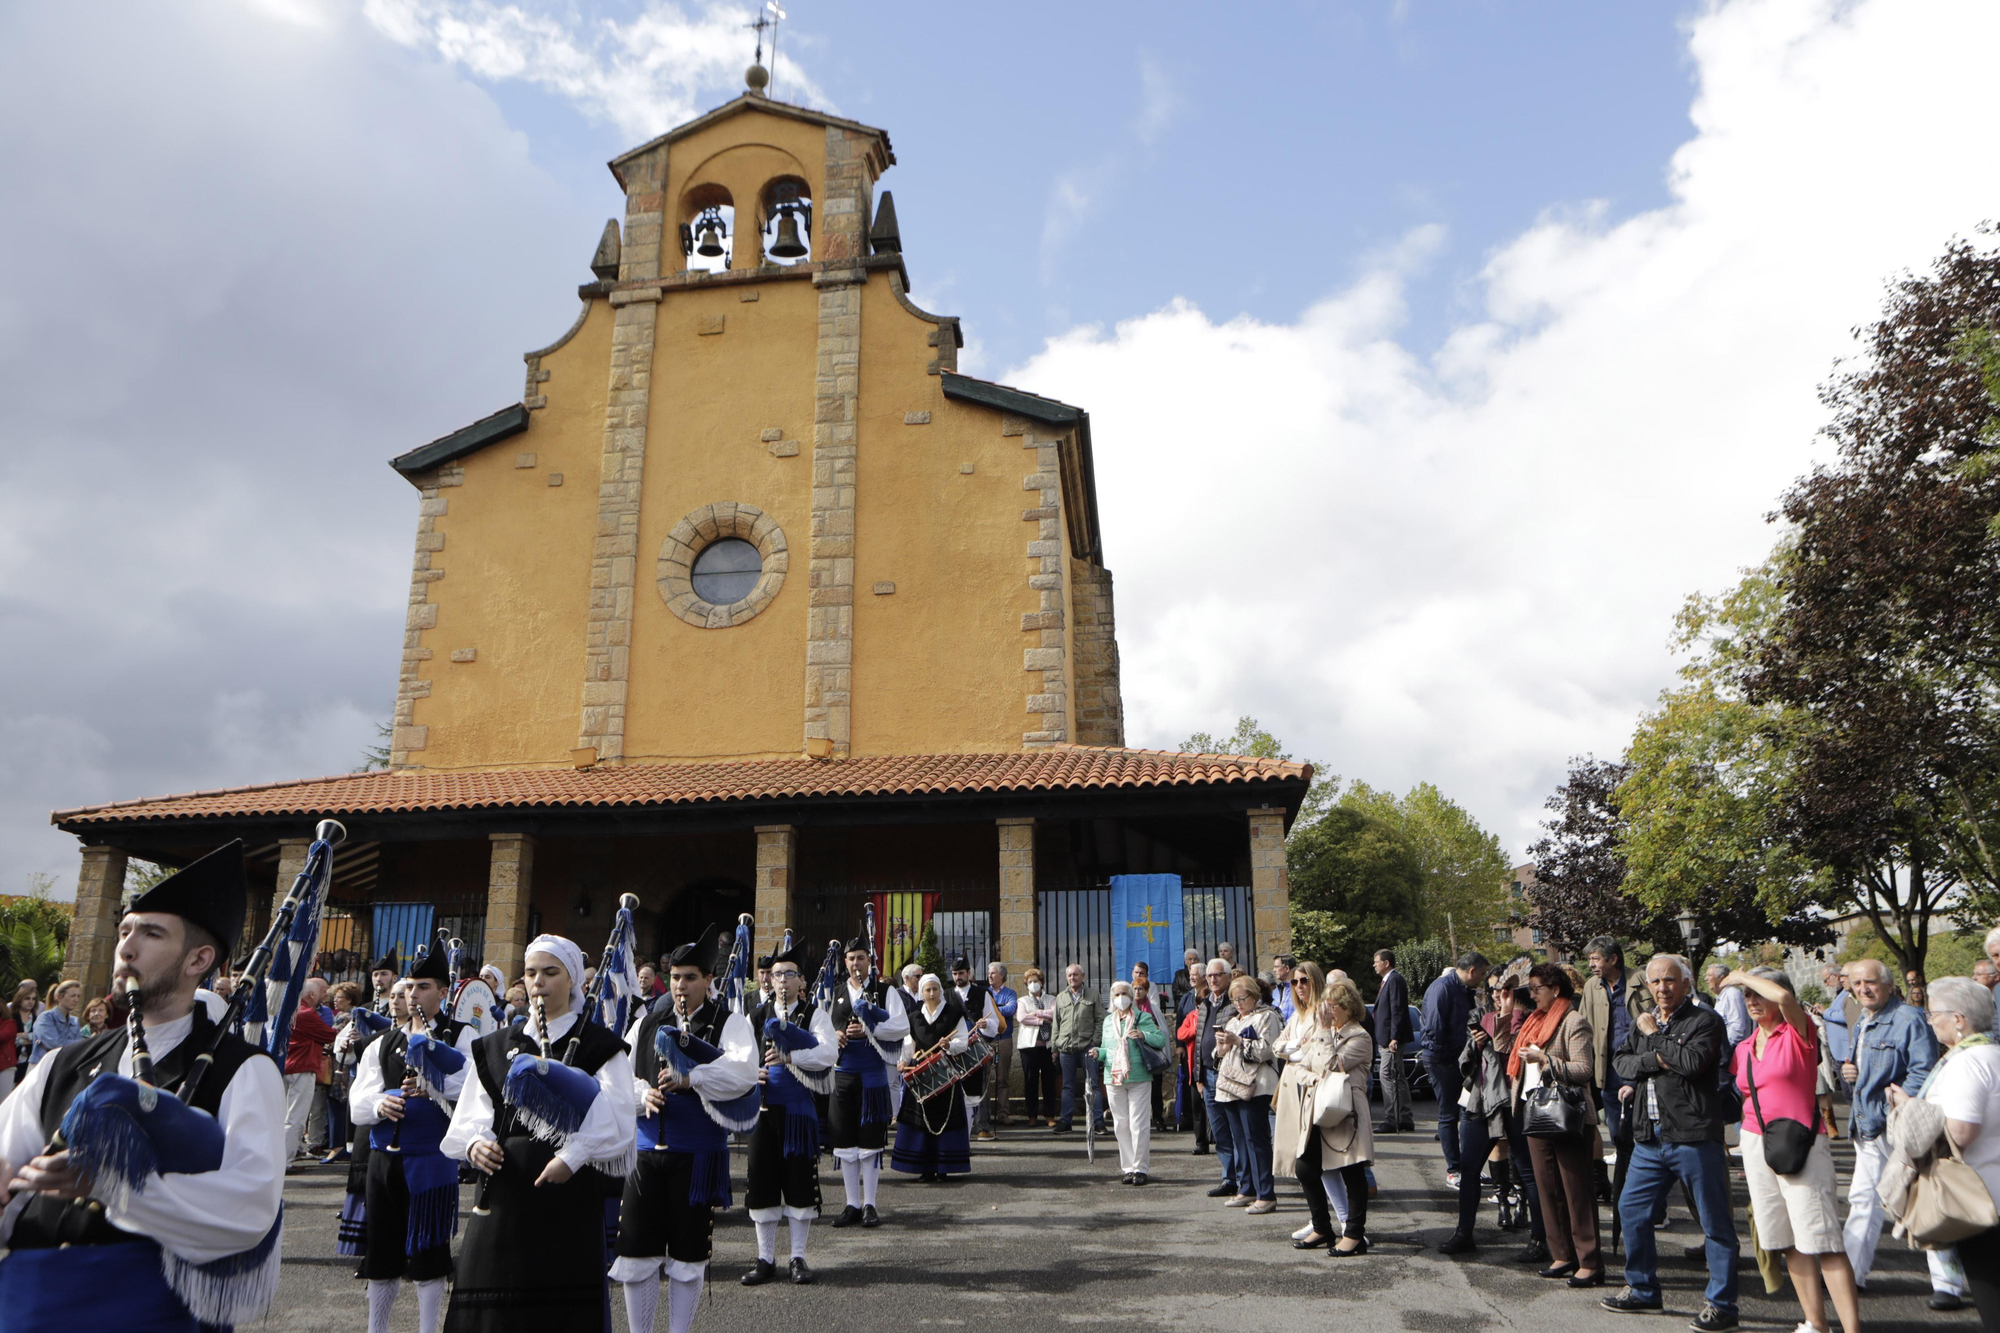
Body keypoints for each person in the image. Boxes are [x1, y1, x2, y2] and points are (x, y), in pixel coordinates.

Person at [0, 840, 287, 1333]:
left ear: (198, 959)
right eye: (125, 930)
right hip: (27, 1300)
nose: (126, 947)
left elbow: (250, 1205)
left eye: (151, 934)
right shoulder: (63, 1062)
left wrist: (118, 1188)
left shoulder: (242, 1068)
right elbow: (9, 1159)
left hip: (147, 1308)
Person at [442, 934, 636, 1333]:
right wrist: (476, 1143)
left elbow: (618, 1122)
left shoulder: (601, 1046)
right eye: (531, 973)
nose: (538, 982)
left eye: (551, 973)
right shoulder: (495, 1045)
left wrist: (572, 1157)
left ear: (574, 981)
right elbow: (471, 1113)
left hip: (567, 1196)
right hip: (502, 1195)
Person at [613, 925, 757, 1333]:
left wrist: (693, 1079)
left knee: (688, 1259)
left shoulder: (728, 1022)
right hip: (646, 1153)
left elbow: (744, 1073)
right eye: (675, 977)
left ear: (708, 981)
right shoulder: (647, 1022)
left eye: (690, 977)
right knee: (637, 1255)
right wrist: (643, 1096)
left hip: (696, 1157)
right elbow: (618, 1078)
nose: (681, 985)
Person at [1601, 954, 1738, 1331]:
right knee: (1631, 1210)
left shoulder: (1705, 1021)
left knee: (1715, 1222)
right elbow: (1622, 1063)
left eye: (1670, 980)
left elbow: (1693, 1063)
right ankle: (1643, 1290)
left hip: (1693, 1136)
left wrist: (1654, 1040)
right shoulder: (1645, 1022)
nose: (1662, 988)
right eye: (1655, 981)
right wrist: (1657, 1057)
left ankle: (1722, 1304)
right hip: (1649, 1138)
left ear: (1686, 983)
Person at [1724, 966, 1862, 1333]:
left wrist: (1739, 976)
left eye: (1759, 993)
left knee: (1824, 1238)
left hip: (1800, 1140)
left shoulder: (1799, 1033)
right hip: (1756, 1142)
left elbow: (1785, 998)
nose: (1752, 1000)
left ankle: (1852, 1329)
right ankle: (1815, 1322)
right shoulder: (1744, 1046)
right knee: (1787, 1240)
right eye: (1747, 996)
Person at [350, 947, 480, 1333]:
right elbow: (357, 1103)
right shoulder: (382, 1043)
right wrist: (381, 1103)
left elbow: (473, 1086)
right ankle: (378, 1327)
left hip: (431, 1158)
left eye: (423, 987)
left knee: (428, 1250)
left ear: (443, 992)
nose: (413, 995)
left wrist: (433, 1081)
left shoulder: (461, 1034)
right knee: (382, 1252)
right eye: (409, 987)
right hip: (384, 1158)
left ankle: (427, 1328)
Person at [1835, 957, 1959, 1308]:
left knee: (1925, 1198)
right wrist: (1851, 1075)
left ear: (1889, 985)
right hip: (1868, 1126)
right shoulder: (1863, 1020)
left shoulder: (1909, 1018)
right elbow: (1867, 1070)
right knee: (1863, 1200)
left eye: (1870, 982)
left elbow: (1923, 1071)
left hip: (1900, 1125)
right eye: (1857, 984)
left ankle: (1947, 1284)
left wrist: (1896, 1102)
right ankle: (1850, 1276)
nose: (1863, 989)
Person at [1889, 976, 2000, 1329]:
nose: (1929, 1019)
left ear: (1959, 1019)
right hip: (1989, 1186)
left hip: (1978, 1195)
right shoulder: (1993, 1052)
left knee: (1991, 1294)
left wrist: (1910, 1108)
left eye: (1934, 1013)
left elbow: (1962, 1132)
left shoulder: (1967, 1062)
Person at [743, 939, 836, 1286]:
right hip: (762, 1113)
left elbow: (828, 1055)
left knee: (799, 1184)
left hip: (798, 1113)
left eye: (789, 975)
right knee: (762, 1184)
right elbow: (737, 1057)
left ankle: (798, 1257)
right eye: (776, 974)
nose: (781, 980)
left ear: (802, 981)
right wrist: (752, 1071)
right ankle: (765, 1258)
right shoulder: (756, 1015)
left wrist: (790, 1058)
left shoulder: (815, 1015)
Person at [1440, 964, 1547, 1264]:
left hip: (1517, 1103)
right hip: (1483, 1100)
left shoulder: (1529, 1021)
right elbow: (1468, 1059)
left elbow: (1507, 1048)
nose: (1501, 996)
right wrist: (1475, 1047)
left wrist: (1505, 1019)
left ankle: (1539, 1238)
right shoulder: (1481, 1017)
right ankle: (1464, 1233)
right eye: (1496, 991)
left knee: (1528, 1172)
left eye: (1508, 990)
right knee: (1470, 1168)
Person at [1513, 962, 1604, 1287]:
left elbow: (1583, 1070)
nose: (1532, 993)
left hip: (1568, 1116)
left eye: (1537, 988)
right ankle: (1562, 1255)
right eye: (1531, 988)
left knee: (1576, 1192)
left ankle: (1590, 1262)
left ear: (1556, 989)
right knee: (1549, 1190)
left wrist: (1545, 1061)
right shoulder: (1532, 1021)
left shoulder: (1574, 1021)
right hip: (1536, 1113)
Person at [826, 935, 909, 1228]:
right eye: (851, 958)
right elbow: (819, 1030)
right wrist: (833, 1035)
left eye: (861, 957)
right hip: (843, 1075)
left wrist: (871, 1030)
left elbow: (901, 1025)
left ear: (869, 961)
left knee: (870, 1143)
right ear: (844, 962)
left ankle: (870, 1204)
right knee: (846, 1144)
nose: (856, 963)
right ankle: (851, 1204)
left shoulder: (885, 991)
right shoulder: (834, 992)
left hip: (873, 1076)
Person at [1295, 975, 1375, 1255]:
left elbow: (1332, 1064)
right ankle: (1322, 1228)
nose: (1325, 1012)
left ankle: (1353, 1234)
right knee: (1304, 1167)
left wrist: (1325, 1033)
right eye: (1324, 1006)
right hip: (1319, 1108)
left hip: (1346, 1112)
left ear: (1348, 1007)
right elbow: (1302, 1066)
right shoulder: (1325, 1031)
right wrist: (1315, 1079)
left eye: (1332, 1006)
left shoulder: (1360, 1037)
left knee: (1351, 1171)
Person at [1275, 962, 1335, 1246]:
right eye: (1296, 982)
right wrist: (1295, 1050)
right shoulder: (1297, 1016)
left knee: (1319, 1164)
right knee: (1307, 1164)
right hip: (1295, 1089)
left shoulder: (1323, 1011)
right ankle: (1319, 1221)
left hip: (1315, 1091)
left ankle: (1343, 1224)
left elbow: (1316, 1054)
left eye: (1305, 981)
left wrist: (1295, 1051)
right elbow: (1279, 1045)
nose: (1300, 987)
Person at [1212, 974, 1282, 1213]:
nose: (1239, 1003)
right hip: (1231, 1087)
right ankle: (1247, 1188)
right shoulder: (1233, 1021)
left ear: (1254, 996)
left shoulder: (1267, 1017)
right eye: (1235, 999)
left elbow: (1266, 1051)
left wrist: (1239, 1042)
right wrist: (1221, 1047)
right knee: (1239, 1140)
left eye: (1243, 998)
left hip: (1257, 1086)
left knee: (1257, 1140)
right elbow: (1219, 1055)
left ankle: (1266, 1194)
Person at [893, 974, 973, 1181]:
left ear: (940, 991)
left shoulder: (954, 1014)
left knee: (944, 1120)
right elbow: (908, 1045)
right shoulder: (913, 1017)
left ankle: (944, 1167)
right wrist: (903, 1061)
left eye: (935, 989)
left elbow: (963, 1041)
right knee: (921, 1121)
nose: (931, 994)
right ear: (921, 991)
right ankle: (925, 1168)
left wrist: (950, 1045)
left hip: (945, 1074)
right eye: (927, 990)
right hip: (920, 1076)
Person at [1420, 951, 1489, 1189]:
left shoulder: (1462, 989)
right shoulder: (1444, 988)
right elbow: (1435, 1027)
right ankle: (1455, 1170)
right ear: (1471, 971)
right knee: (1448, 1114)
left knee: (1467, 1114)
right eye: (1481, 973)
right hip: (1443, 1060)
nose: (1482, 978)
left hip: (1456, 1059)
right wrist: (1450, 1059)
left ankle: (1467, 1168)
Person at [1096, 980, 1166, 1184]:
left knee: (1139, 1124)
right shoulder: (1108, 1021)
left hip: (1139, 1076)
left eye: (1124, 993)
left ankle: (1140, 1169)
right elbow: (1106, 1048)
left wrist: (1144, 1035)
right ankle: (1128, 1168)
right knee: (1121, 1125)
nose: (1121, 998)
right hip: (1114, 1077)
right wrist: (1097, 1053)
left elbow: (1160, 1039)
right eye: (1116, 994)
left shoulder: (1142, 1017)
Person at [284, 976, 338, 1168]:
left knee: (285, 1116)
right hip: (302, 1067)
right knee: (295, 1118)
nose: (326, 996)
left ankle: (283, 1156)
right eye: (324, 992)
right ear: (312, 994)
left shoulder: (291, 1008)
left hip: (288, 1066)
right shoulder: (305, 1013)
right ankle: (285, 1161)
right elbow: (329, 1035)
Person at [1195, 959, 1239, 1194]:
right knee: (1219, 1131)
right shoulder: (1204, 1004)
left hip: (1227, 1075)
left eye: (1218, 975)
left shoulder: (1235, 1004)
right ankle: (1229, 1178)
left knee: (1235, 1129)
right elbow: (1199, 1040)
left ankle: (1244, 1181)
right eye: (1210, 975)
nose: (1213, 979)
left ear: (1229, 977)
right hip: (1207, 1075)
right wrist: (1198, 1076)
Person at [948, 956, 1002, 1141]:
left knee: (981, 1088)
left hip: (977, 1047)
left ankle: (983, 1127)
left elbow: (994, 1020)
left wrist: (985, 1023)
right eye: (954, 974)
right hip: (954, 1049)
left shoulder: (983, 994)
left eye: (961, 973)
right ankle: (958, 1126)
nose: (957, 977)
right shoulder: (946, 995)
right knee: (955, 1088)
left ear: (969, 973)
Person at [1051, 963, 1104, 1134]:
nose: (1072, 978)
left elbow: (1100, 1019)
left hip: (1087, 1047)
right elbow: (1056, 1024)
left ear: (1083, 976)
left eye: (1075, 975)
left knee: (1094, 1085)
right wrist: (1054, 1047)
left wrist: (1095, 1041)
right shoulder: (1060, 997)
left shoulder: (1093, 995)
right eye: (1069, 975)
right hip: (1066, 1048)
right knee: (1067, 1086)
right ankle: (1065, 1121)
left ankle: (1098, 1122)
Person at [1372, 949, 1414, 1135]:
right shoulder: (1388, 981)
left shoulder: (1394, 980)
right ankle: (1404, 1118)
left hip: (1390, 1039)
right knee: (1397, 1077)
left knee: (1388, 1076)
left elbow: (1397, 1009)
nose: (1374, 965)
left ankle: (1392, 1119)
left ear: (1386, 963)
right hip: (1387, 1037)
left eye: (1377, 961)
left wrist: (1394, 1037)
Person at [323, 980, 364, 1164]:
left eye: (339, 997)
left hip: (343, 1068)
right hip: (339, 1065)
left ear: (348, 1000)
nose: (335, 1000)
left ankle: (337, 1145)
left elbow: (331, 1040)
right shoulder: (342, 1015)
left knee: (337, 1104)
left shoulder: (345, 1017)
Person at [1131, 962, 1173, 1130]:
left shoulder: (1153, 1009)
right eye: (1135, 989)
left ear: (1147, 990)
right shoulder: (1127, 1008)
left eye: (1141, 989)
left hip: (1152, 1052)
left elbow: (1162, 1031)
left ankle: (1158, 1118)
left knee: (1155, 1087)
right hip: (1134, 1053)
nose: (1138, 992)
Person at [1014, 967, 1057, 1127]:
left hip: (1047, 1047)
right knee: (1030, 1081)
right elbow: (1022, 1018)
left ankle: (1050, 1115)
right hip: (1028, 1047)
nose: (1033, 984)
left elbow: (1054, 1014)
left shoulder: (1051, 999)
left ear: (1042, 982)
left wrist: (1036, 1013)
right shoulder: (1022, 1001)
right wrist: (1041, 1019)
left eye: (1036, 981)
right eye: (1030, 982)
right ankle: (1032, 1115)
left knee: (1049, 1082)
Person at [986, 962, 1018, 1125]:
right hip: (986, 1040)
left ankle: (1003, 1113)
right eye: (989, 973)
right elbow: (981, 1011)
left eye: (993, 973)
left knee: (1002, 1078)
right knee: (984, 1077)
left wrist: (992, 1011)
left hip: (1004, 1038)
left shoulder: (1010, 993)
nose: (990, 976)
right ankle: (984, 1114)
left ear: (1002, 976)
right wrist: (999, 1009)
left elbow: (1011, 1009)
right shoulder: (984, 993)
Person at [28, 979, 84, 1066]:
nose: (76, 1000)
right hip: (41, 1065)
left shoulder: (74, 1021)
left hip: (63, 1066)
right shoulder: (45, 1017)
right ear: (58, 997)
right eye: (72, 996)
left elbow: (79, 1048)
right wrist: (82, 1042)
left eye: (78, 996)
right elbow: (54, 1043)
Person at [1705, 964, 1753, 1046]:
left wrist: (1725, 1050)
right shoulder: (1721, 997)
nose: (1706, 979)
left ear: (1722, 978)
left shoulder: (1732, 994)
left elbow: (1737, 1028)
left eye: (1709, 975)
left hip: (1734, 1051)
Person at [1272, 954, 1297, 1021]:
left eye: (1276, 967)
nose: (1274, 970)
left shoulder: (1297, 989)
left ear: (1287, 968)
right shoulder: (1276, 991)